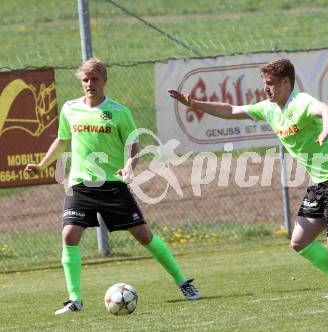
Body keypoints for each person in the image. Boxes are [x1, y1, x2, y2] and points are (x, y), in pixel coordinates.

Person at [168, 59, 328, 297]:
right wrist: (193, 103)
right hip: (319, 184)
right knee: (299, 242)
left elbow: (327, 109)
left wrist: (326, 128)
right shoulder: (268, 109)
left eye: (270, 84)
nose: (266, 89)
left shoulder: (300, 102)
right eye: (265, 84)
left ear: (286, 83)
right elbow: (231, 109)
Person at [25, 58, 201, 315]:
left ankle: (183, 282)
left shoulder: (119, 112)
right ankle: (75, 300)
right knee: (69, 235)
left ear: (104, 81)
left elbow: (134, 147)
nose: (89, 84)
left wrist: (130, 166)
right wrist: (42, 165)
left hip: (112, 184)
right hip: (80, 184)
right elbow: (62, 141)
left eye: (94, 79)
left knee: (143, 236)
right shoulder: (70, 109)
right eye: (85, 80)